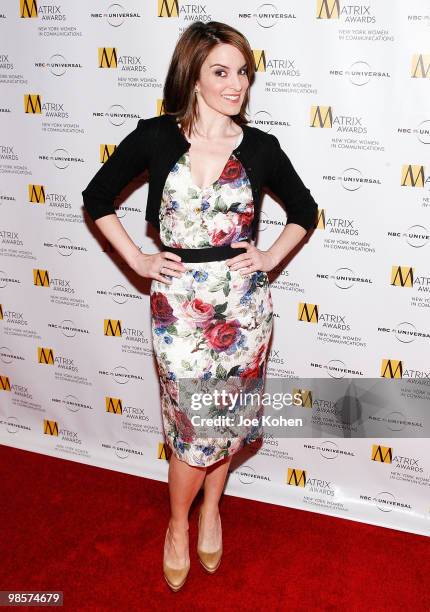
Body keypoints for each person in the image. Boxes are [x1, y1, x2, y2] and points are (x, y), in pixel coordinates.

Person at [82, 21, 318, 592]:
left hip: (243, 309)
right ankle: (176, 525)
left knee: (227, 421)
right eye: (221, 71)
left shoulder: (261, 148)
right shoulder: (157, 137)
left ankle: (212, 510)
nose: (235, 84)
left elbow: (305, 212)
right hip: (178, 307)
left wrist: (267, 259)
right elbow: (96, 197)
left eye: (242, 72)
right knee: (194, 428)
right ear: (192, 74)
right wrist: (138, 259)